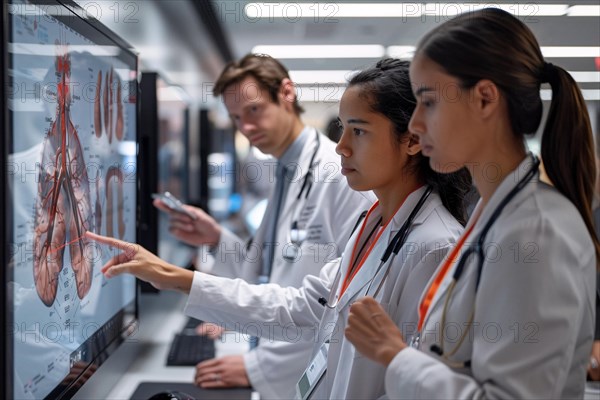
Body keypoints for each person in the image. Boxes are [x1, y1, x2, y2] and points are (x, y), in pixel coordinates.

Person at [86, 58, 472, 399]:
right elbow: (303, 304)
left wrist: (259, 367)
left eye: (359, 130)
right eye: (343, 130)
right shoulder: (372, 224)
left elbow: (422, 383)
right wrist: (178, 273)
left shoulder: (433, 244)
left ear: (412, 140)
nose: (341, 147)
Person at [344, 8, 599, 399]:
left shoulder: (536, 230)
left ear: (484, 99)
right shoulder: (498, 213)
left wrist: (393, 356)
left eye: (428, 102)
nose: (414, 124)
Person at [153, 54, 371, 398]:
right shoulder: (283, 171)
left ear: (286, 92)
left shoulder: (339, 176)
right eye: (237, 118)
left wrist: (259, 368)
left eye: (253, 110)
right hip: (276, 355)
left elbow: (330, 309)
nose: (246, 127)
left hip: (309, 377)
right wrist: (217, 238)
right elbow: (270, 272)